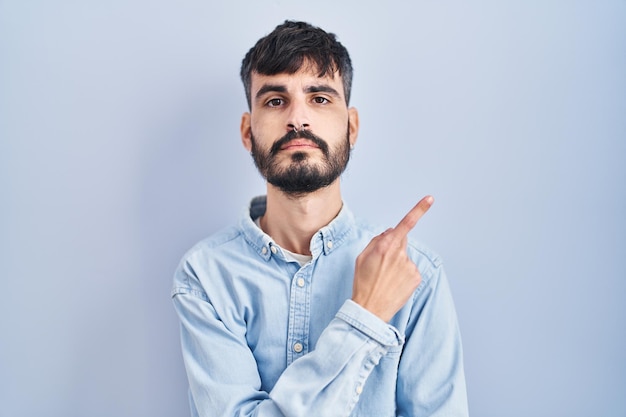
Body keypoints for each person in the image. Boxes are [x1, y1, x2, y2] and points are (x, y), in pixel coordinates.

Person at [172, 20, 468, 417]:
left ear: (352, 126)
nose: (298, 119)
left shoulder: (416, 274)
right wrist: (364, 317)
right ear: (247, 131)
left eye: (320, 98)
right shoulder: (206, 277)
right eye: (276, 100)